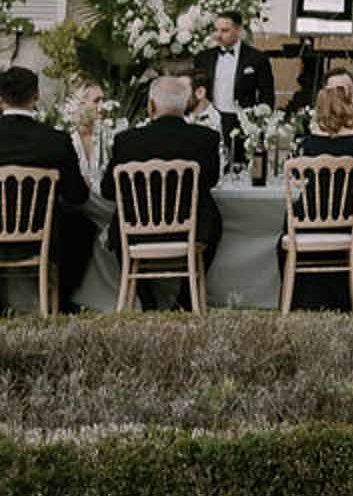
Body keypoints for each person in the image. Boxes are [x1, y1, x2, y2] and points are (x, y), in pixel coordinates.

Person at [101, 73, 222, 310]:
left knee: (119, 223)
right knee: (214, 219)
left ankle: (147, 300)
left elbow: (107, 190)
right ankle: (186, 299)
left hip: (136, 233)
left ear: (151, 106)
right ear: (186, 106)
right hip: (191, 230)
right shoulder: (205, 139)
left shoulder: (127, 141)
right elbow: (211, 181)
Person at [0, 66, 94, 313]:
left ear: (0, 99)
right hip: (42, 240)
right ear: (36, 97)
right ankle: (61, 299)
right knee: (84, 225)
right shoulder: (55, 141)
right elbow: (77, 196)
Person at [282, 81, 353, 309]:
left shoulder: (310, 142)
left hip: (312, 217)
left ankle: (299, 299)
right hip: (351, 216)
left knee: (286, 224)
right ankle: (343, 298)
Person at [191, 11, 275, 169]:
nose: (218, 35)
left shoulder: (257, 58)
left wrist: (258, 124)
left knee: (239, 167)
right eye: (216, 30)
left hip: (242, 122)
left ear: (239, 30)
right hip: (211, 120)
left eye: (225, 30)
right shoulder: (203, 58)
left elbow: (267, 95)